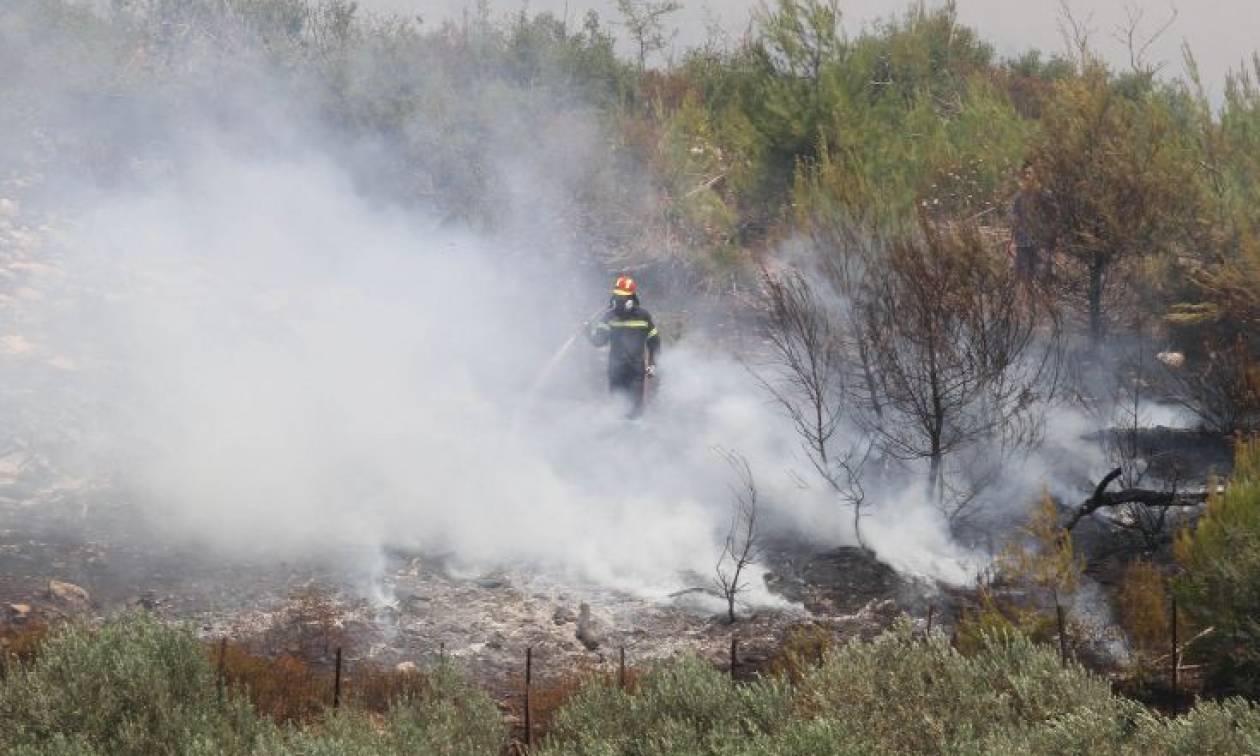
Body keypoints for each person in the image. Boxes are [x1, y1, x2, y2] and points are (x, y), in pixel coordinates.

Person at [587, 276, 660, 418]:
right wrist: (588, 332)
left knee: (634, 411)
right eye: (617, 296)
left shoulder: (643, 316)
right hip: (616, 371)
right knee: (617, 409)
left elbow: (654, 341)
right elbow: (599, 341)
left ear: (631, 299)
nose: (619, 301)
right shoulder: (609, 316)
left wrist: (652, 363)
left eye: (623, 297)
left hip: (636, 371)